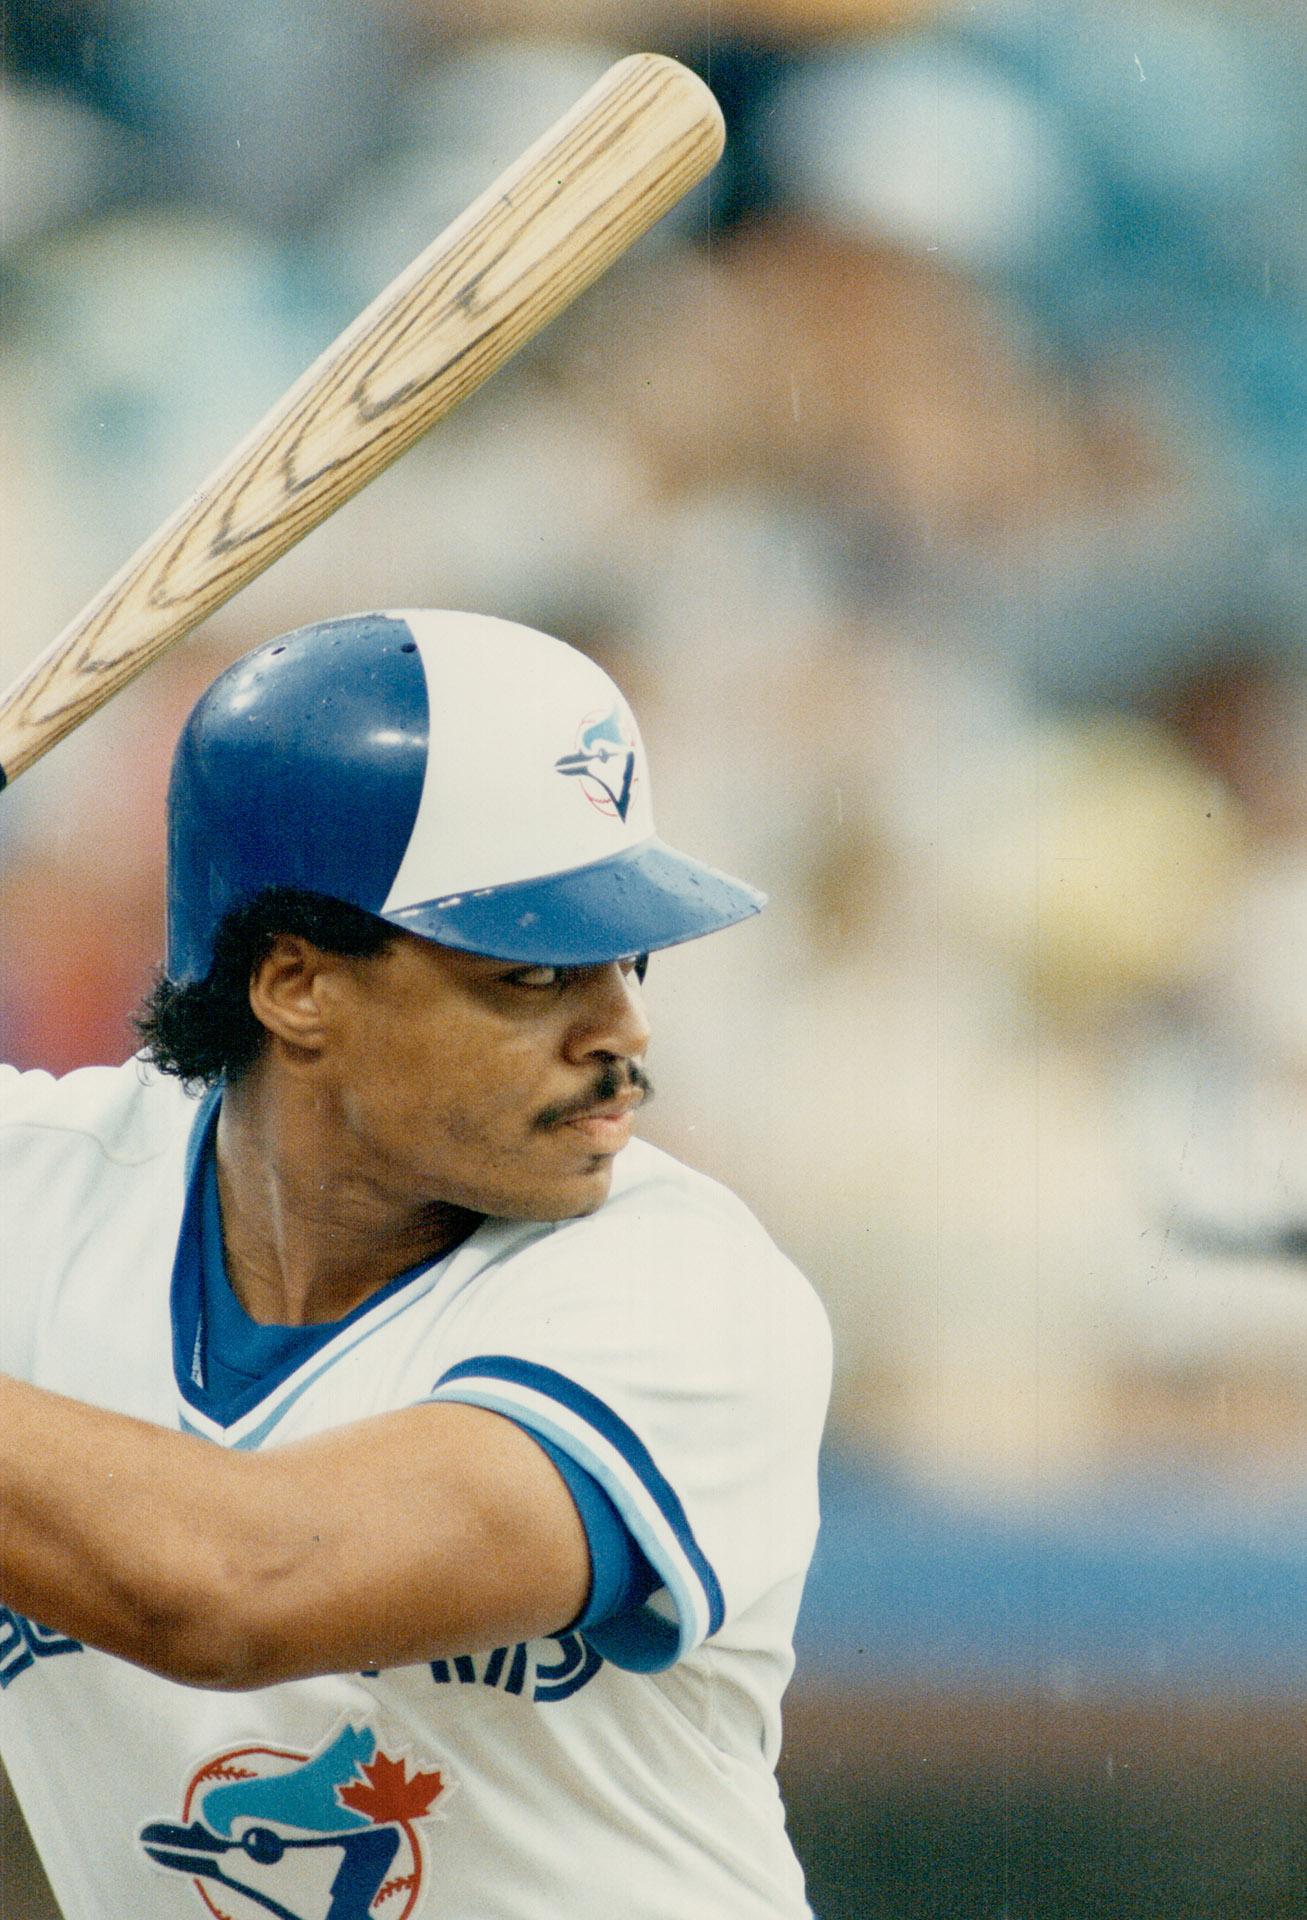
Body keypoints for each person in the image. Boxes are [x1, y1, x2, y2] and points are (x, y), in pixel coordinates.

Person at [0, 609, 831, 1920]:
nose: (624, 1030)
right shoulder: (42, 1190)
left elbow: (236, 1588)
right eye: (529, 973)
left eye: (628, 956)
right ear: (295, 983)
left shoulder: (685, 1288)